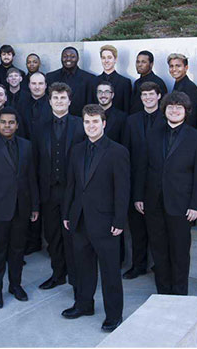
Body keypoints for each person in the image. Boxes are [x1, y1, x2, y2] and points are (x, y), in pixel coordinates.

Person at [61, 104, 130, 332]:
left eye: (95, 122)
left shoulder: (118, 151)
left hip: (106, 222)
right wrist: (67, 214)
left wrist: (119, 220)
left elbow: (122, 189)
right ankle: (84, 304)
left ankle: (113, 315)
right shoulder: (77, 149)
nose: (91, 126)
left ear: (104, 123)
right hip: (79, 219)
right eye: (87, 122)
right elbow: (71, 185)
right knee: (83, 267)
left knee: (110, 271)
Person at [133, 91, 197, 295]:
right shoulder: (153, 134)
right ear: (164, 110)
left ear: (186, 111)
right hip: (153, 202)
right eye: (170, 107)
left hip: (182, 205)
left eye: (179, 107)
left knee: (180, 251)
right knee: (158, 248)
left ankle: (179, 292)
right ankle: (163, 290)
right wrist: (139, 197)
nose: (174, 110)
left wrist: (196, 205)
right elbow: (143, 167)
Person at [0, 107, 40, 308]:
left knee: (17, 250)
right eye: (3, 122)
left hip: (21, 208)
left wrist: (34, 206)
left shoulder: (27, 146)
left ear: (17, 125)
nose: (7, 125)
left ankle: (15, 285)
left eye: (11, 122)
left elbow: (31, 178)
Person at [32, 82, 85, 291]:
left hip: (74, 191)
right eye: (55, 98)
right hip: (49, 190)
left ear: (70, 101)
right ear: (50, 100)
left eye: (63, 98)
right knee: (52, 234)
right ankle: (58, 274)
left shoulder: (81, 125)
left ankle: (76, 277)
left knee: (73, 235)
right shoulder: (39, 127)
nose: (59, 101)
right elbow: (35, 163)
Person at [121, 81, 165, 279]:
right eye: (144, 95)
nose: (147, 98)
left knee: (158, 230)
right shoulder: (131, 121)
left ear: (159, 96)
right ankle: (138, 265)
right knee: (137, 228)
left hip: (160, 182)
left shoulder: (168, 119)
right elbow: (125, 151)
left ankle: (159, 266)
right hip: (136, 180)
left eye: (151, 94)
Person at [46, 47, 97, 116]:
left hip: (80, 121)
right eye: (65, 56)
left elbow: (91, 104)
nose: (68, 59)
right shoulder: (50, 77)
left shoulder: (89, 78)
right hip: (55, 122)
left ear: (78, 59)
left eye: (72, 56)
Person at [167, 53, 197, 129]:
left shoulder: (190, 88)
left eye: (178, 66)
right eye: (171, 66)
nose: (174, 69)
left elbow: (191, 118)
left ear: (186, 68)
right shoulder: (177, 84)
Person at [17, 71, 51, 139]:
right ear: (29, 85)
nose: (37, 87)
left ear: (46, 85)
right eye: (33, 83)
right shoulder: (21, 104)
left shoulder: (53, 104)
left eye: (40, 83)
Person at [98, 45, 131, 113]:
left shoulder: (125, 82)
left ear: (115, 59)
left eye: (109, 57)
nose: (106, 61)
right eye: (103, 58)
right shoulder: (93, 81)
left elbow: (127, 107)